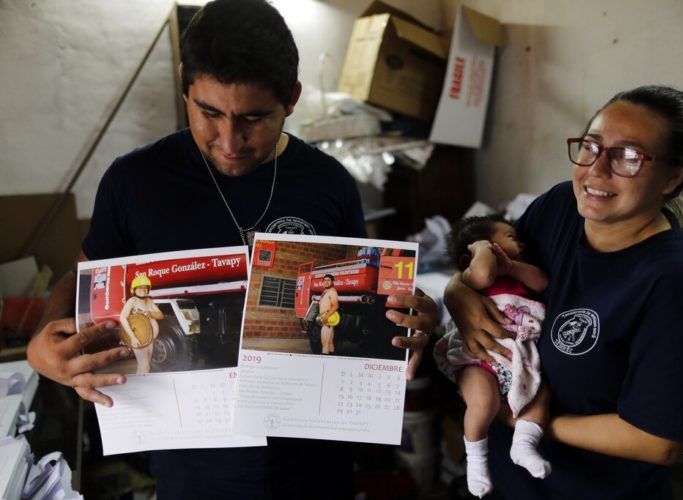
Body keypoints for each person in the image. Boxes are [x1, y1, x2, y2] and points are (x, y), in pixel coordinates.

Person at [26, 1, 439, 498]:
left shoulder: (329, 183)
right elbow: (89, 275)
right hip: (192, 471)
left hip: (314, 466)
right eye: (209, 112)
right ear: (184, 83)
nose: (229, 140)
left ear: (292, 98)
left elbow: (372, 287)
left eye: (253, 118)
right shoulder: (134, 181)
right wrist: (44, 346)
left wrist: (408, 316)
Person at [444, 85, 683, 499]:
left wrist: (526, 422)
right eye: (591, 146)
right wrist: (458, 292)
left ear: (673, 177)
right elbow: (491, 268)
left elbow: (659, 441)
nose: (596, 171)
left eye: (628, 157)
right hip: (505, 486)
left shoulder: (674, 284)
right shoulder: (559, 207)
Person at [434, 216, 550, 498]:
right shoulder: (472, 277)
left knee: (540, 395)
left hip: (519, 356)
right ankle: (476, 459)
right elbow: (484, 274)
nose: (520, 242)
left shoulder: (519, 274)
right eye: (510, 236)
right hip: (479, 356)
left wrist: (512, 266)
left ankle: (524, 444)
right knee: (482, 401)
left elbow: (542, 282)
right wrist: (481, 249)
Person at [119, 275, 164, 374]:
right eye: (139, 288)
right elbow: (122, 317)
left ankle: (138, 386)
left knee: (144, 366)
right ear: (134, 289)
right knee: (145, 367)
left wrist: (150, 313)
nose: (142, 290)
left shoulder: (149, 301)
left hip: (149, 338)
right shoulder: (132, 301)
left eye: (145, 288)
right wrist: (133, 338)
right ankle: (143, 387)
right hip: (138, 338)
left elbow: (161, 315)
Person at [318, 273, 340, 354]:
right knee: (330, 342)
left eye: (328, 280)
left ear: (332, 282)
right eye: (325, 280)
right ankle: (332, 361)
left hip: (327, 320)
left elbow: (335, 306)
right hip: (326, 318)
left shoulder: (332, 292)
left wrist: (325, 317)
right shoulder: (326, 291)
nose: (326, 282)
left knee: (324, 343)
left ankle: (323, 363)